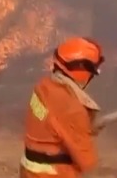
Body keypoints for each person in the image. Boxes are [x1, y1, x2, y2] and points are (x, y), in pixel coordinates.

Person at [20, 37, 104, 178]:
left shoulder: (43, 86)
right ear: (83, 70)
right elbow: (87, 162)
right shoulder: (73, 109)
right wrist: (83, 129)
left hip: (29, 171)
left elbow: (53, 123)